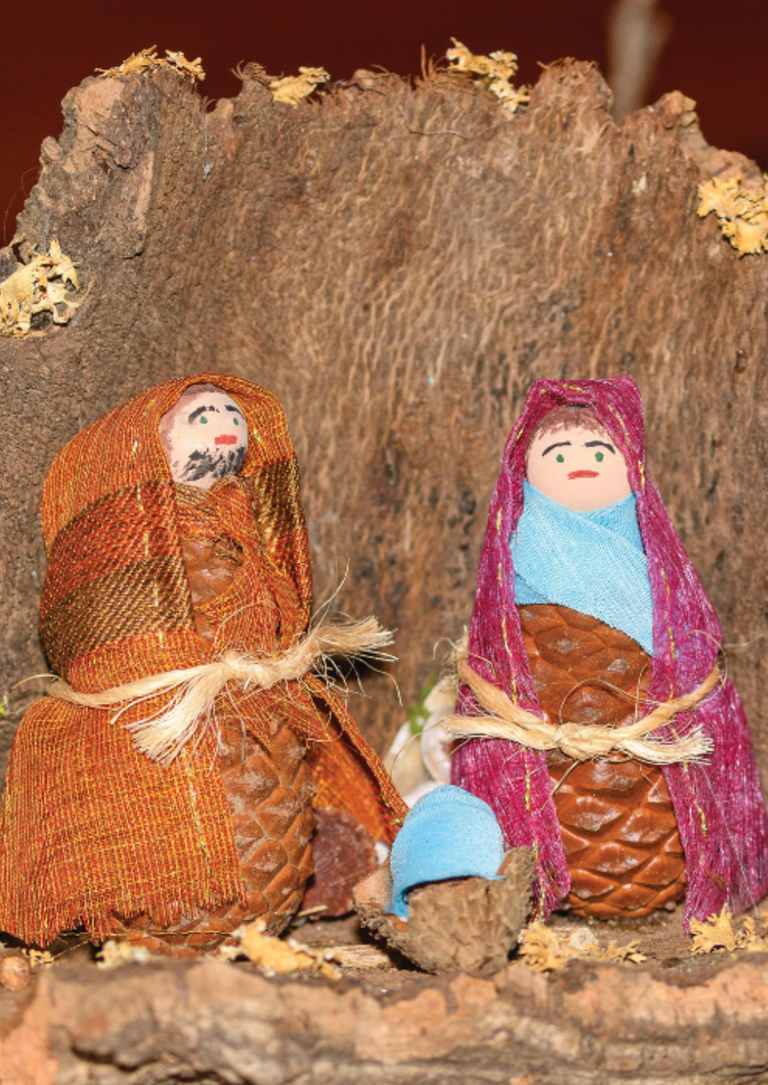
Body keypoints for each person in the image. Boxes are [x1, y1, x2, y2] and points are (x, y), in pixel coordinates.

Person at [0, 373, 405, 952]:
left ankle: (264, 902)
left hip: (256, 703)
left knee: (263, 777)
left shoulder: (246, 526)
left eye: (232, 415)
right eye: (204, 417)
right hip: (165, 710)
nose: (226, 425)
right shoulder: (129, 544)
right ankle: (172, 917)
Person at [451, 376, 768, 925]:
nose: (581, 462)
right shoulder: (515, 577)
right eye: (557, 453)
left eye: (600, 451)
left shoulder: (662, 577)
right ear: (524, 470)